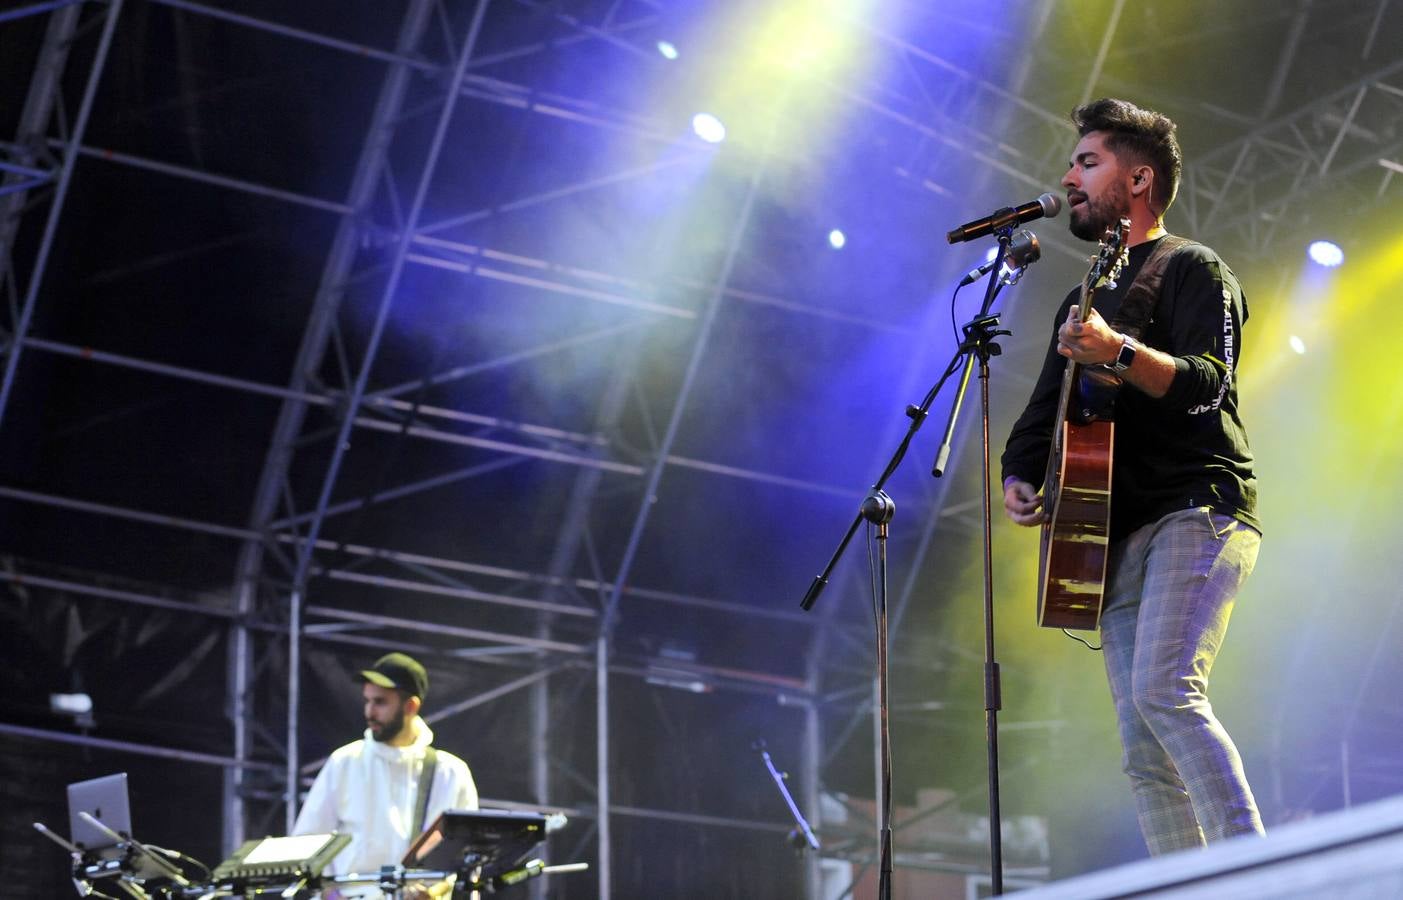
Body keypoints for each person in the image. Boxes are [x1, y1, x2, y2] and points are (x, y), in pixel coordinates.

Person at [1000, 98, 1264, 855]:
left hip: (1197, 509)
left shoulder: (1191, 267)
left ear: (1138, 178)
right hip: (1110, 529)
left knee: (1165, 695)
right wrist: (1019, 474)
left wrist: (1115, 351)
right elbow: (1041, 412)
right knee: (1140, 749)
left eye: (1087, 162)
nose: (1066, 176)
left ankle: (1254, 868)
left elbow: (1207, 384)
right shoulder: (1081, 292)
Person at [293, 652, 478, 897]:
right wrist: (330, 894)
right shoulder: (345, 762)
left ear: (411, 706)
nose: (369, 712)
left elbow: (468, 860)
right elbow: (306, 844)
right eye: (367, 701)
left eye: (380, 702)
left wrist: (433, 894)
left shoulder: (451, 773)